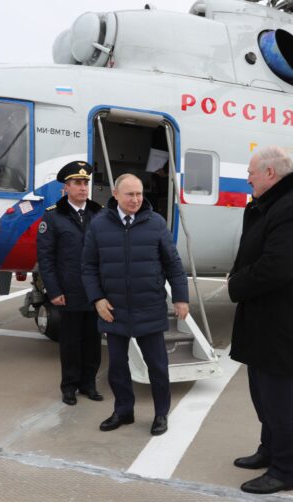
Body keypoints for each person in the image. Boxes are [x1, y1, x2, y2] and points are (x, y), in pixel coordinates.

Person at [227, 146, 293, 495]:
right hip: (265, 320)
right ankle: (268, 450)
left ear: (270, 173)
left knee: (279, 401)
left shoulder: (292, 208)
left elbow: (277, 267)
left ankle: (284, 470)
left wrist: (235, 284)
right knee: (263, 396)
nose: (247, 178)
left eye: (251, 172)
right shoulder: (272, 204)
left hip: (284, 326)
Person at [82, 173, 189, 436]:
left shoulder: (156, 223)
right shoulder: (99, 225)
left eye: (139, 194)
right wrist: (97, 299)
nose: (136, 199)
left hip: (149, 307)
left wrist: (181, 298)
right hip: (113, 309)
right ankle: (123, 411)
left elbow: (173, 264)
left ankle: (161, 414)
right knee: (117, 367)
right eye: (130, 194)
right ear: (115, 195)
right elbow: (88, 266)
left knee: (158, 367)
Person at [37, 161, 103, 406]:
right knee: (70, 343)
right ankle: (69, 387)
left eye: (86, 183)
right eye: (77, 182)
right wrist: (54, 291)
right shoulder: (53, 216)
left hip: (95, 292)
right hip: (69, 291)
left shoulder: (100, 214)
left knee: (93, 342)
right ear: (66, 187)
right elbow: (46, 258)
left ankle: (89, 384)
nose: (83, 187)